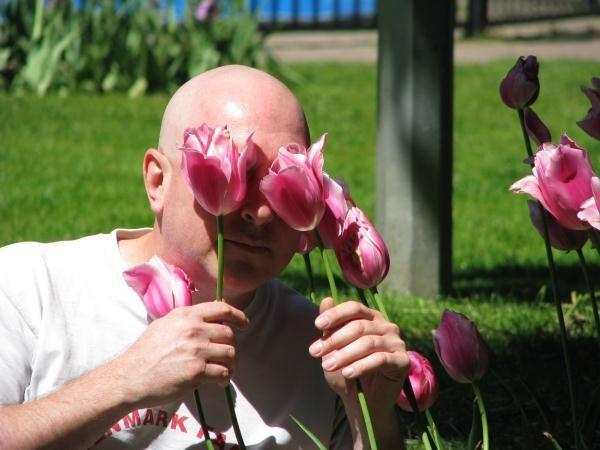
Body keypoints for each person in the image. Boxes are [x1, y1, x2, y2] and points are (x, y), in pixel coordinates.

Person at [0, 65, 409, 449]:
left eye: (284, 180)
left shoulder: (322, 345)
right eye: (237, 173)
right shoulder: (31, 287)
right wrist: (125, 382)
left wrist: (373, 414)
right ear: (157, 181)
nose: (260, 211)